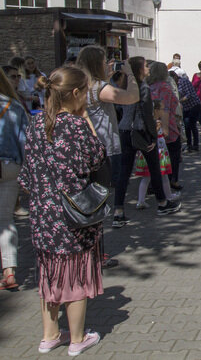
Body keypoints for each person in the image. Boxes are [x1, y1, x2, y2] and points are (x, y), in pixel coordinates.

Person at [18, 67, 105, 356]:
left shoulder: (36, 124)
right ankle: (77, 339)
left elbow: (28, 176)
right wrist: (87, 122)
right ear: (77, 94)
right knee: (76, 275)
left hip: (43, 215)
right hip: (72, 215)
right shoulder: (77, 126)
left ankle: (49, 335)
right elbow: (97, 158)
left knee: (49, 274)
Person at [115, 57, 181, 227]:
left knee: (124, 172)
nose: (148, 68)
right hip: (140, 131)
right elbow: (146, 114)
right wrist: (152, 136)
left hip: (125, 130)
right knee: (155, 168)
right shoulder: (142, 87)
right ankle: (162, 203)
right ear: (139, 69)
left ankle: (118, 211)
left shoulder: (125, 85)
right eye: (145, 66)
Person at [76, 46, 140, 190]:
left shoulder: (81, 84)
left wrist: (107, 77)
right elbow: (132, 97)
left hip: (87, 144)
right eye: (104, 62)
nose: (106, 64)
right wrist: (130, 74)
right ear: (96, 64)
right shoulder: (99, 87)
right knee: (102, 190)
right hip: (103, 146)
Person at [0, 67, 27, 291]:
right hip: (10, 165)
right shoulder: (14, 105)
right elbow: (24, 141)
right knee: (6, 219)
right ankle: (9, 271)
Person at [148, 62, 183, 192]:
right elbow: (165, 109)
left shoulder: (149, 87)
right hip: (167, 124)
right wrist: (166, 128)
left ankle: (154, 182)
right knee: (172, 154)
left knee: (156, 155)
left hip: (152, 124)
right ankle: (170, 181)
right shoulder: (164, 87)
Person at [173, 70, 201, 153]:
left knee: (192, 124)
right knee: (186, 125)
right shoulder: (174, 85)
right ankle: (189, 144)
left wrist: (178, 101)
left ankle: (195, 145)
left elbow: (188, 94)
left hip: (194, 104)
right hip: (186, 107)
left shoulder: (183, 81)